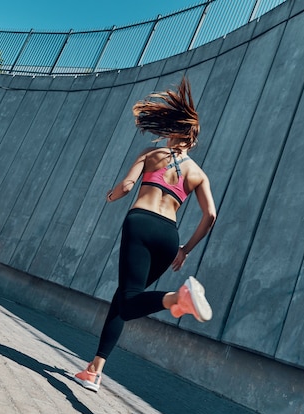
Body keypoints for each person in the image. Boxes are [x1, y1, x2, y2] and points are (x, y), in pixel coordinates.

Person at [74, 76, 217, 393]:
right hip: (168, 236)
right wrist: (185, 249)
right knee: (126, 296)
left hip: (140, 224)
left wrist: (109, 196)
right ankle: (95, 369)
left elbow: (126, 187)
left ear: (171, 131)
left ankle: (176, 300)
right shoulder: (198, 174)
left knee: (129, 302)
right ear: (192, 141)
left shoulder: (150, 155)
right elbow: (211, 215)